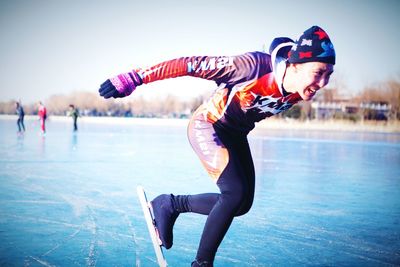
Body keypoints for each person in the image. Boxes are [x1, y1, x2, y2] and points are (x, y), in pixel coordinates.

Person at [98, 25, 335, 266]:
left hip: (237, 134)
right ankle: (201, 264)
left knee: (241, 205)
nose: (323, 82)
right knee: (234, 194)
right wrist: (136, 77)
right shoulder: (251, 67)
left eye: (329, 74)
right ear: (294, 65)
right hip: (208, 126)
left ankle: (169, 204)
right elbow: (190, 64)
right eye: (318, 72)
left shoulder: (299, 88)